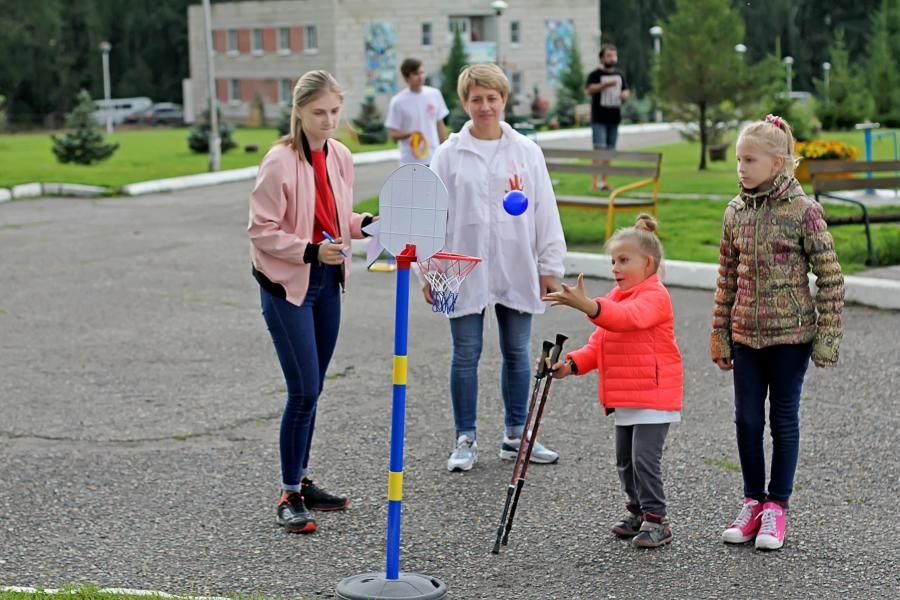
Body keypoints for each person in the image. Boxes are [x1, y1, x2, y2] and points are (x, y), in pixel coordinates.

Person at [248, 70, 375, 534]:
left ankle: (301, 480)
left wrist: (368, 224)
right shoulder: (278, 161)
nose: (328, 121)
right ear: (299, 111)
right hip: (287, 286)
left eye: (335, 112)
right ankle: (287, 493)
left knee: (315, 388)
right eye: (319, 112)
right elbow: (261, 230)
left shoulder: (339, 155)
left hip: (327, 280)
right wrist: (307, 251)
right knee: (302, 391)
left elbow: (338, 217)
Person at [711, 115, 844, 551]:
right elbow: (726, 277)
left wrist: (828, 334)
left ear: (779, 163)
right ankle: (752, 500)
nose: (741, 168)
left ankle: (777, 507)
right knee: (747, 420)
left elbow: (830, 277)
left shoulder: (804, 213)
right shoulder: (735, 212)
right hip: (746, 334)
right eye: (738, 160)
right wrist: (720, 332)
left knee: (782, 420)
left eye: (750, 160)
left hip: (792, 337)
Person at [426, 63, 567, 473]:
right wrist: (430, 272)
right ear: (464, 103)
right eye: (476, 99)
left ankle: (516, 435)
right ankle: (465, 437)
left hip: (515, 263)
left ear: (504, 100)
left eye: (492, 98)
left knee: (517, 352)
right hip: (459, 267)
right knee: (466, 353)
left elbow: (544, 211)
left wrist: (549, 266)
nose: (484, 106)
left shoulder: (526, 151)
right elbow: (435, 215)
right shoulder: (449, 154)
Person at [543, 214, 683, 548]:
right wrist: (572, 364)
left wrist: (588, 305)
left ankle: (656, 519)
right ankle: (636, 510)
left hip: (653, 395)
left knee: (643, 460)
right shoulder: (618, 297)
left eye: (623, 261)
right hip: (627, 397)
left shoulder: (654, 296)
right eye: (613, 261)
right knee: (624, 460)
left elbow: (626, 320)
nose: (615, 268)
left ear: (647, 264)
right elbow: (601, 343)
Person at [385, 58, 449, 166]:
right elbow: (393, 134)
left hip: (433, 157)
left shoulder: (434, 94)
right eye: (415, 74)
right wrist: (411, 134)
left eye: (422, 72)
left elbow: (440, 124)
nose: (420, 77)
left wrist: (444, 149)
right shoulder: (398, 101)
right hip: (410, 161)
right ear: (406, 77)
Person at [585, 44, 630, 192]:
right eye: (609, 55)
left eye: (614, 55)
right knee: (599, 149)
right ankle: (594, 182)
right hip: (599, 118)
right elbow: (589, 90)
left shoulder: (620, 74)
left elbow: (626, 91)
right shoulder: (595, 75)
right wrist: (605, 85)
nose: (612, 58)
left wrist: (624, 95)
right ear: (602, 57)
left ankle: (604, 182)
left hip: (614, 117)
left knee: (609, 151)